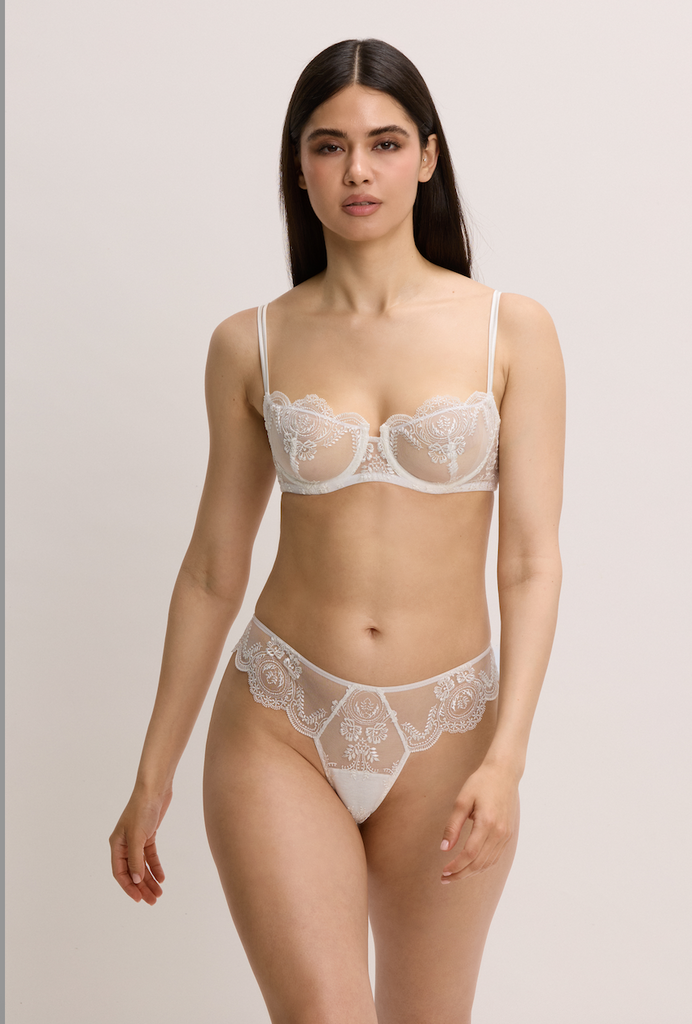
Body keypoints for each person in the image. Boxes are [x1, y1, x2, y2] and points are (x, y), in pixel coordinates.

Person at [110, 37, 565, 1024]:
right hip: (280, 721)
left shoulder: (511, 331)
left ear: (427, 158)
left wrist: (507, 758)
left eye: (385, 143)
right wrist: (153, 773)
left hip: (449, 736)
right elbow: (211, 570)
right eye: (328, 145)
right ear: (299, 166)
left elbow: (530, 562)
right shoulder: (250, 343)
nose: (358, 170)